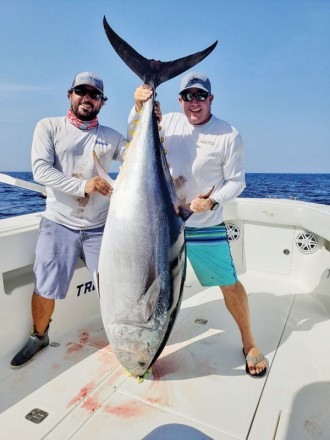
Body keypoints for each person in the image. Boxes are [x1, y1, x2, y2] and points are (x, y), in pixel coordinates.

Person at [131, 72, 268, 377]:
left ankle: (249, 343)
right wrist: (138, 106)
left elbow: (237, 181)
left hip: (203, 224)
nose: (195, 103)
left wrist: (213, 201)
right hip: (162, 225)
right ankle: (140, 341)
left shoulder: (228, 135)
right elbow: (134, 132)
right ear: (180, 100)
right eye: (188, 97)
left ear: (211, 99)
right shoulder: (165, 121)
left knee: (228, 283)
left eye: (201, 96)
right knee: (149, 289)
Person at [11, 72, 127, 369]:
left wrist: (143, 112)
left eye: (94, 94)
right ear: (70, 94)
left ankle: (125, 338)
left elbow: (138, 155)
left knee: (115, 285)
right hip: (58, 222)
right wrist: (83, 186)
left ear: (102, 102)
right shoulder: (49, 127)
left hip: (101, 226)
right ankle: (39, 336)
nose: (87, 98)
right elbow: (40, 171)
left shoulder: (112, 137)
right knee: (45, 285)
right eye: (81, 91)